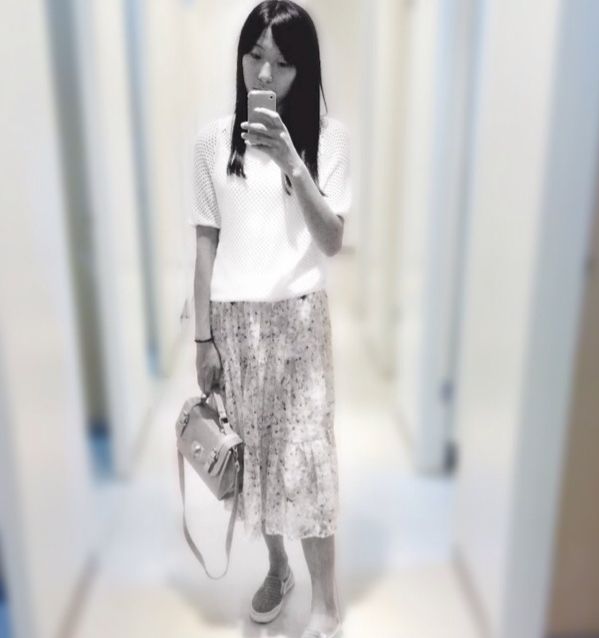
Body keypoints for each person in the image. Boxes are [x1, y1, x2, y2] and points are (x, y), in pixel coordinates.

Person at [188, 2, 351, 637]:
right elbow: (205, 247)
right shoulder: (211, 143)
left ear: (303, 70)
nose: (263, 74)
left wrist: (292, 162)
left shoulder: (330, 140)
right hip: (235, 325)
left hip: (299, 323)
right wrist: (203, 338)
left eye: (281, 64)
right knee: (255, 458)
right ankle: (279, 569)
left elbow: (331, 239)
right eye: (254, 56)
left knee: (307, 460)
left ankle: (326, 602)